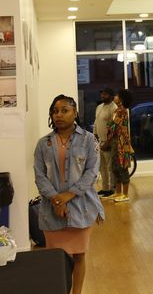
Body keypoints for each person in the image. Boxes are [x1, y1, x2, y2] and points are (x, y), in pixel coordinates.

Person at [34, 94, 105, 294]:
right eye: (55, 111)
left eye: (64, 110)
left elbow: (92, 173)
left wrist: (67, 196)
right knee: (56, 257)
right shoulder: (43, 143)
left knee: (79, 255)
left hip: (81, 208)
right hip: (52, 209)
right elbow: (39, 175)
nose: (58, 115)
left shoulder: (89, 140)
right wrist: (56, 200)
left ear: (75, 113)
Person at [104, 89, 135, 202]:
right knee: (115, 168)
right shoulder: (117, 110)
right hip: (115, 142)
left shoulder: (122, 111)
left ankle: (125, 194)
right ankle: (118, 192)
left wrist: (107, 140)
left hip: (121, 144)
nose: (115, 96)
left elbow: (113, 126)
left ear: (121, 99)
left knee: (122, 168)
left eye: (117, 95)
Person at [94, 87, 117, 197]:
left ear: (111, 96)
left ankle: (112, 189)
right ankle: (105, 188)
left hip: (109, 142)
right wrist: (94, 136)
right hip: (100, 141)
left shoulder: (114, 108)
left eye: (105, 94)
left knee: (110, 167)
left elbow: (114, 127)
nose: (102, 96)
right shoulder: (99, 107)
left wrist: (108, 142)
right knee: (102, 167)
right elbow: (96, 122)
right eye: (102, 94)